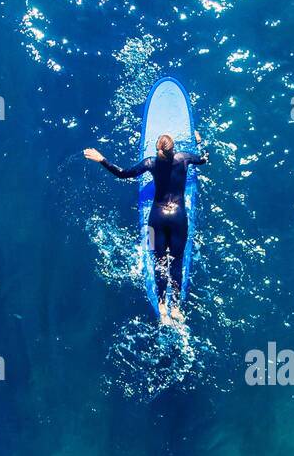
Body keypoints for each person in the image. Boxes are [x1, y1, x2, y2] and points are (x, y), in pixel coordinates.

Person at [84, 132, 208, 323]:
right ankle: (175, 308)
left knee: (159, 262)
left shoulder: (150, 163)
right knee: (176, 261)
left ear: (158, 149)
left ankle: (161, 306)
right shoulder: (184, 158)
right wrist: (199, 143)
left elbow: (123, 173)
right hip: (178, 218)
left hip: (156, 218)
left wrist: (102, 160)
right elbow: (203, 160)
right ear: (173, 149)